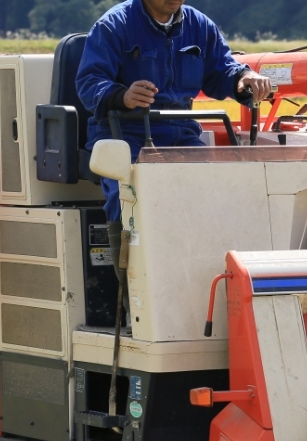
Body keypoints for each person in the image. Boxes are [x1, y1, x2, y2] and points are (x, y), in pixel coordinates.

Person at [76, 0, 275, 265]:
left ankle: (202, 273)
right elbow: (89, 83)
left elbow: (223, 70)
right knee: (132, 198)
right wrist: (123, 96)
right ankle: (132, 292)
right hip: (124, 133)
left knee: (217, 193)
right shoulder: (114, 25)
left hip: (181, 133)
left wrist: (243, 78)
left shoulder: (200, 26)